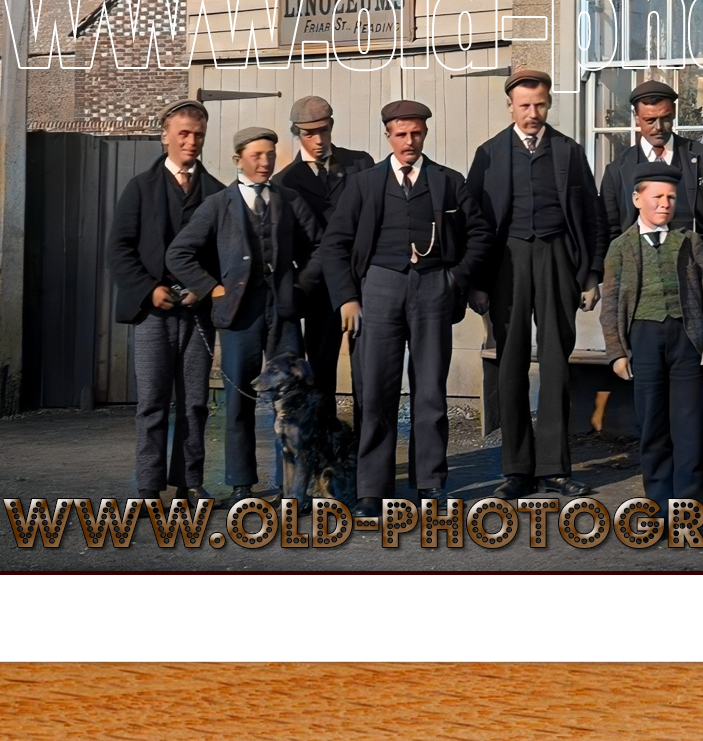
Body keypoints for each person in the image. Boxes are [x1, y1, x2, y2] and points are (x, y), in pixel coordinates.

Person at [313, 100, 491, 518]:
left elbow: (480, 234)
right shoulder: (365, 184)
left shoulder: (448, 181)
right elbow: (334, 245)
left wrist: (454, 278)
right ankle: (372, 489)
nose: (409, 141)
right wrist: (348, 297)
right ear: (388, 135)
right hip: (379, 288)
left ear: (425, 133)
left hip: (433, 290)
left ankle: (430, 483)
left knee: (430, 391)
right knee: (375, 391)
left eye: (416, 133)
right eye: (401, 134)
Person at [470, 66, 609, 501]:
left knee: (555, 364)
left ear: (549, 105)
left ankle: (555, 468)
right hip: (507, 264)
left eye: (540, 105)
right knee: (510, 364)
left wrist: (592, 274)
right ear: (510, 106)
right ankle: (517, 471)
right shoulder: (489, 153)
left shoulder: (568, 152)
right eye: (525, 106)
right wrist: (477, 282)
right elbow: (474, 223)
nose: (533, 114)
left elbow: (593, 217)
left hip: (556, 258)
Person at [597, 77, 703, 476]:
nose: (658, 127)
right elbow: (610, 229)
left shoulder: (702, 156)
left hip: (699, 279)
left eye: (665, 119)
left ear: (674, 115)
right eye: (650, 120)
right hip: (647, 289)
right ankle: (663, 462)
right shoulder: (619, 169)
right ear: (636, 119)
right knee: (655, 381)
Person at [164, 126, 322, 501]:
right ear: (239, 160)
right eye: (257, 155)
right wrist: (212, 288)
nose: (265, 162)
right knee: (239, 400)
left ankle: (294, 488)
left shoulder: (289, 200)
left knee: (293, 398)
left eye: (271, 155)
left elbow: (319, 246)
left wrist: (299, 286)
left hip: (282, 311)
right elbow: (178, 254)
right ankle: (240, 485)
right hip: (238, 315)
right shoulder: (218, 204)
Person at [106, 99, 223, 503]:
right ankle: (148, 487)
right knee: (152, 401)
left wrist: (203, 287)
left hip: (196, 312)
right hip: (152, 312)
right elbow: (119, 249)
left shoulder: (217, 192)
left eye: (198, 135)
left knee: (195, 402)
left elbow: (223, 254)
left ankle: (189, 483)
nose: (191, 141)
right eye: (183, 134)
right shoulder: (140, 188)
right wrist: (149, 288)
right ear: (165, 137)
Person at [599, 163, 703, 512]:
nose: (665, 204)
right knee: (652, 427)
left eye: (670, 197)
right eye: (657, 197)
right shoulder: (620, 247)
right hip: (643, 339)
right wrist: (616, 351)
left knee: (689, 428)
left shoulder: (689, 241)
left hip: (686, 340)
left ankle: (688, 510)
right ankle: (657, 506)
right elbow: (610, 303)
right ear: (637, 199)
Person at [269, 95, 375, 438]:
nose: (317, 140)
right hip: (318, 290)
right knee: (321, 372)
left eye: (323, 131)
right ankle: (326, 449)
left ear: (332, 127)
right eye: (308, 133)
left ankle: (365, 452)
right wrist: (303, 285)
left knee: (368, 372)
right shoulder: (285, 181)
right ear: (296, 133)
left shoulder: (361, 164)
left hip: (361, 282)